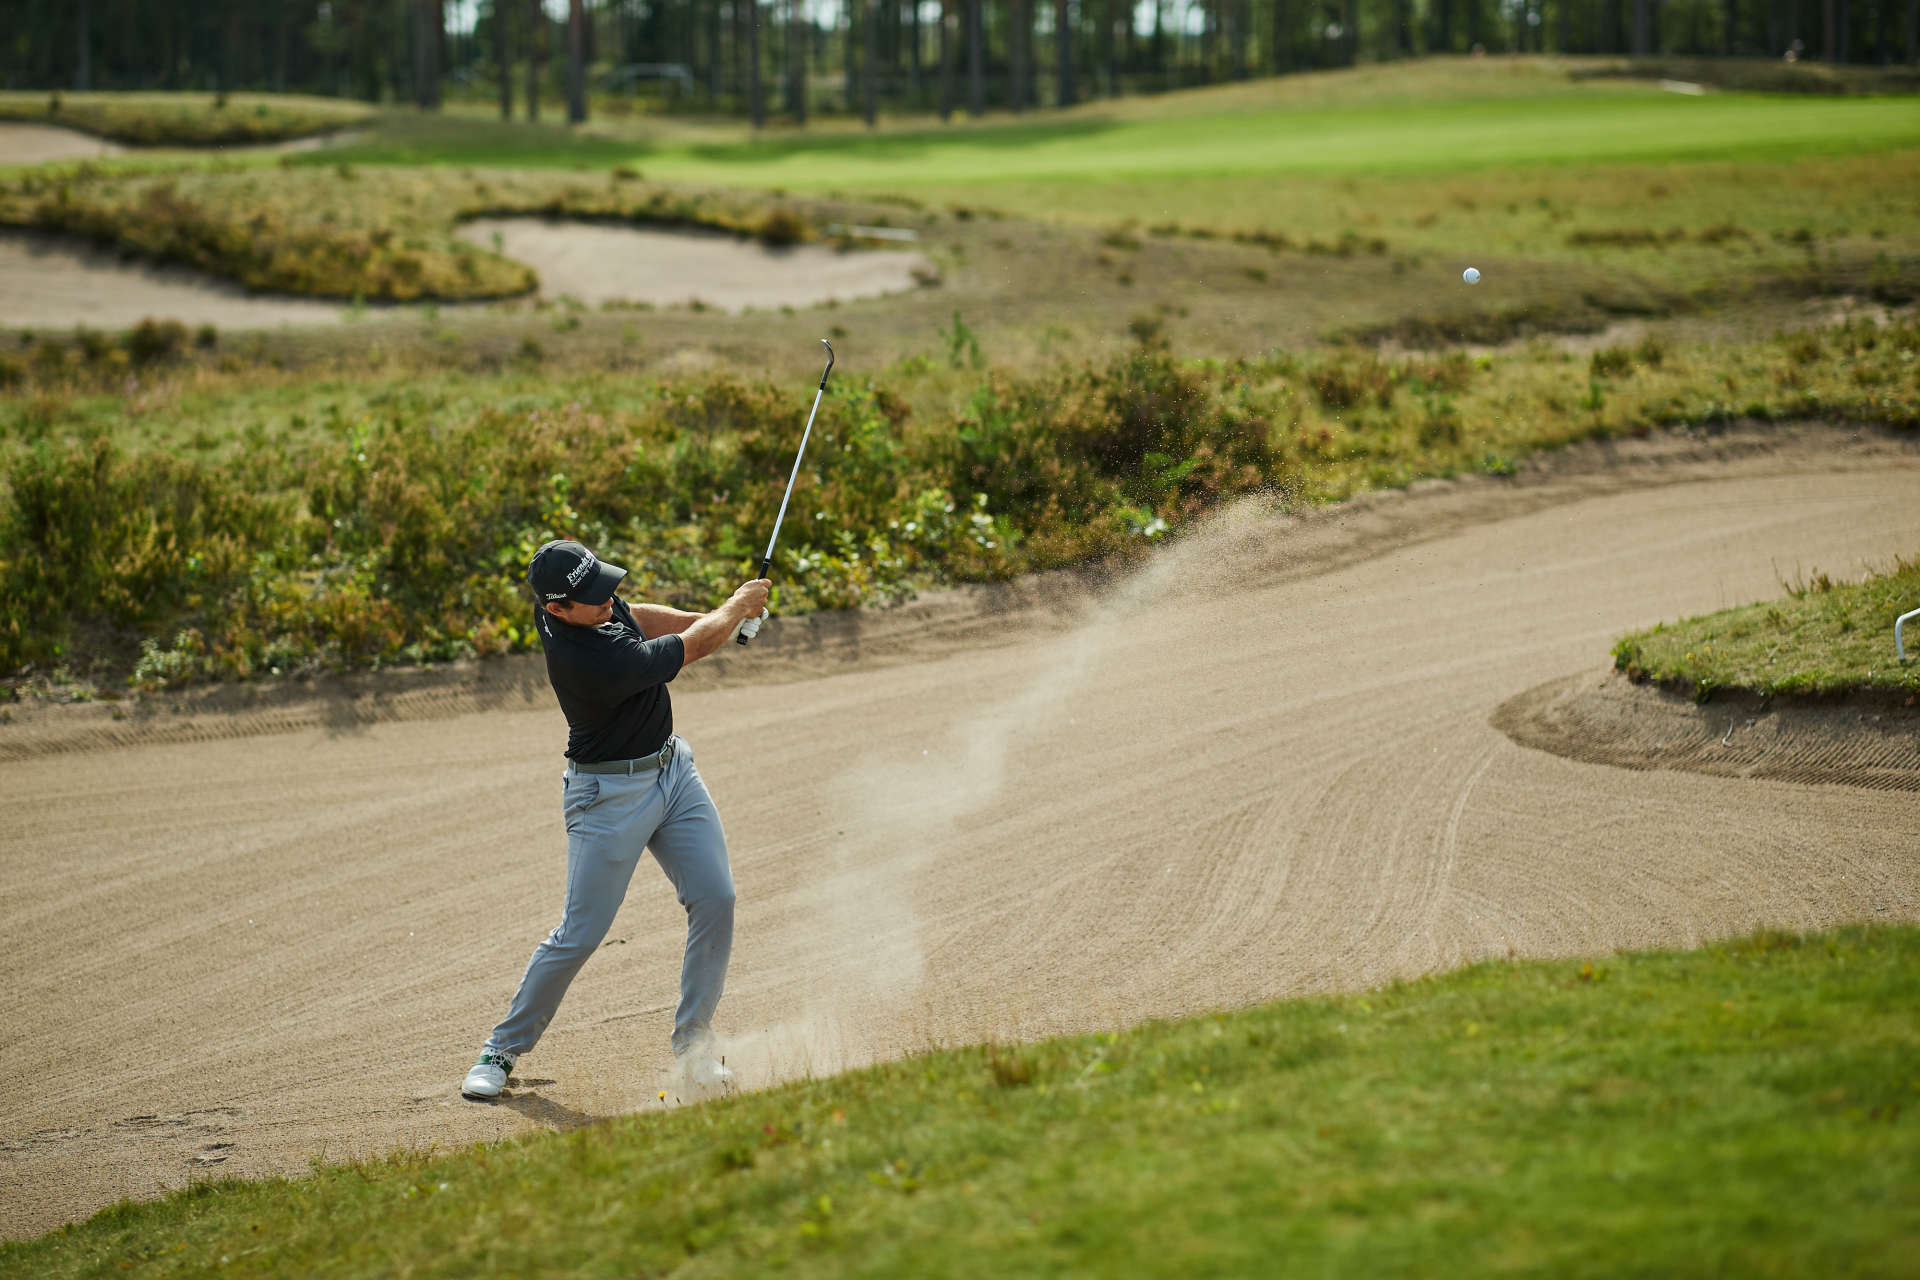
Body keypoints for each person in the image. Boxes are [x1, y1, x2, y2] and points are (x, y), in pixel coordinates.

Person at [461, 539, 771, 1100]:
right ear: (556, 611)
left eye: (606, 586)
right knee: (580, 933)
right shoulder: (590, 661)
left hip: (672, 771)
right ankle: (501, 1049)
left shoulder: (579, 601)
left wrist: (717, 618)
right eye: (594, 597)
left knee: (716, 898)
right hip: (606, 796)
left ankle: (695, 1048)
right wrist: (733, 609)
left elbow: (641, 616)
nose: (610, 601)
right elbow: (689, 648)